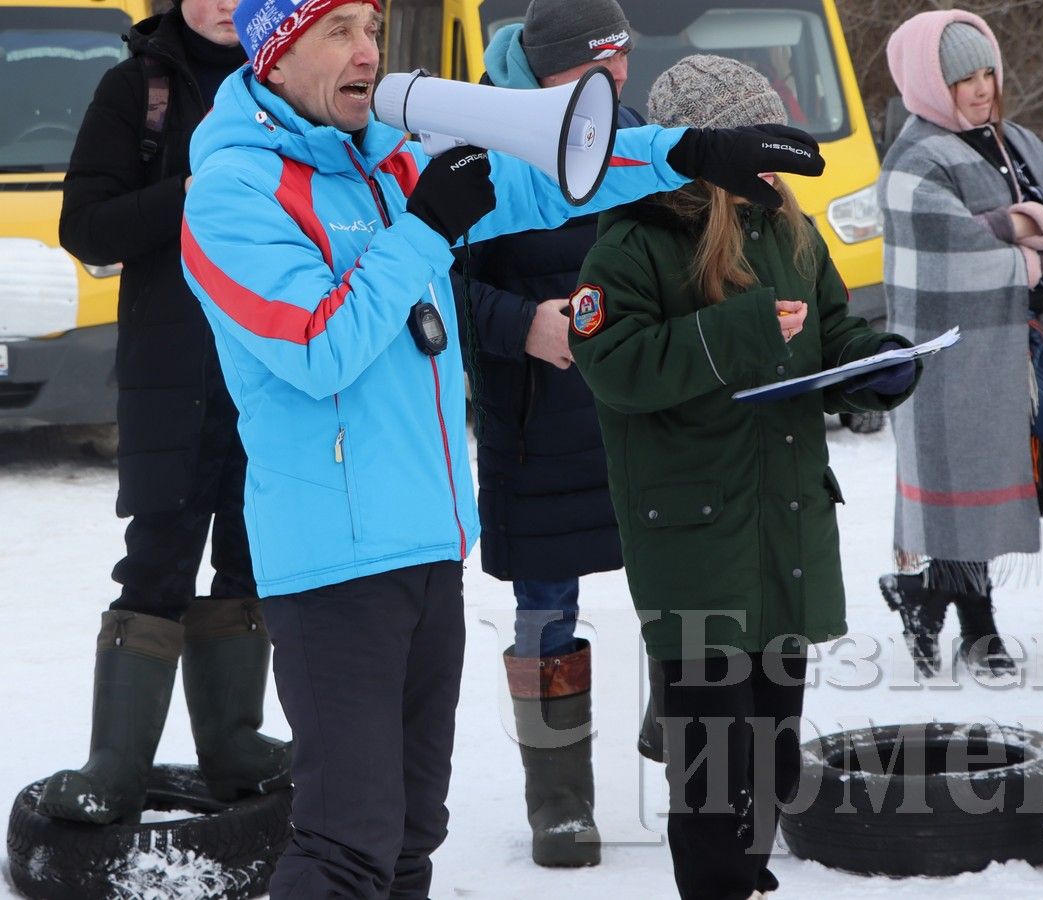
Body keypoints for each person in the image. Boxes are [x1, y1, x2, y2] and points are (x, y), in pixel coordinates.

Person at [180, 0, 825, 894]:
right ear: (275, 57)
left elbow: (549, 178)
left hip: (425, 539)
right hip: (331, 559)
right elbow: (314, 349)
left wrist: (684, 153)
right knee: (346, 838)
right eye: (337, 32)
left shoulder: (383, 160)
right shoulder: (232, 191)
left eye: (371, 27)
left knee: (411, 831)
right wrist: (425, 229)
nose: (368, 51)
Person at [569, 54, 918, 900]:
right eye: (754, 148)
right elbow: (611, 366)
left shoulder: (787, 228)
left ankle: (746, 875)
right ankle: (716, 882)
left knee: (769, 743)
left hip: (785, 522)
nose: (771, 166)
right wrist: (740, 330)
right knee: (711, 761)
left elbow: (833, 330)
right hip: (695, 537)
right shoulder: (632, 239)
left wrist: (877, 364)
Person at [39, 0, 290, 826]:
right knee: (157, 560)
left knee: (254, 562)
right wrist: (192, 190)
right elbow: (87, 228)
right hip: (172, 373)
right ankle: (116, 766)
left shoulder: (293, 82)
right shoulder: (135, 89)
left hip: (275, 368)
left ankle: (236, 747)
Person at [876, 9, 1043, 682]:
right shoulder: (913, 159)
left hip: (1022, 345)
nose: (980, 89)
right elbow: (952, 250)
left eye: (986, 73)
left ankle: (924, 596)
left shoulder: (1012, 139)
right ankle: (978, 629)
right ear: (926, 82)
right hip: (951, 353)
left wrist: (1021, 224)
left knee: (1019, 475)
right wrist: (1031, 239)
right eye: (960, 78)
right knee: (972, 481)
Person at [458, 0, 635, 868]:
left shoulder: (641, 135)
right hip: (535, 420)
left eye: (620, 59)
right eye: (592, 65)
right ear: (545, 68)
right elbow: (428, 283)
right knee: (545, 610)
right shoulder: (478, 143)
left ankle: (696, 749)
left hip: (646, 415)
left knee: (686, 588)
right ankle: (558, 803)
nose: (613, 81)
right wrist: (521, 322)